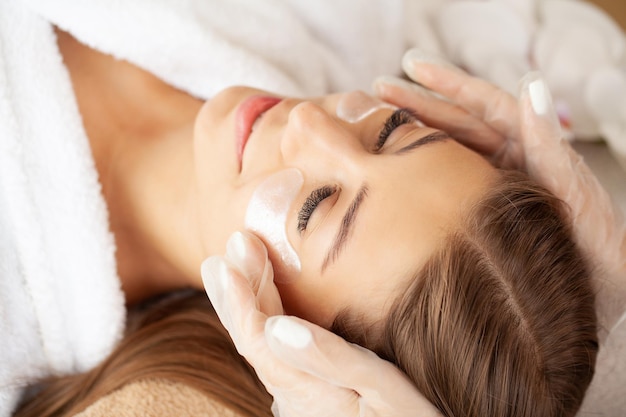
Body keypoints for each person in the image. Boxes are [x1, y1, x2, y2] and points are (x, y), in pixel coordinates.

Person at [2, 2, 616, 417]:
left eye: (316, 206)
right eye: (393, 132)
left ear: (297, 335)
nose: (309, 121)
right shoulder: (327, 28)